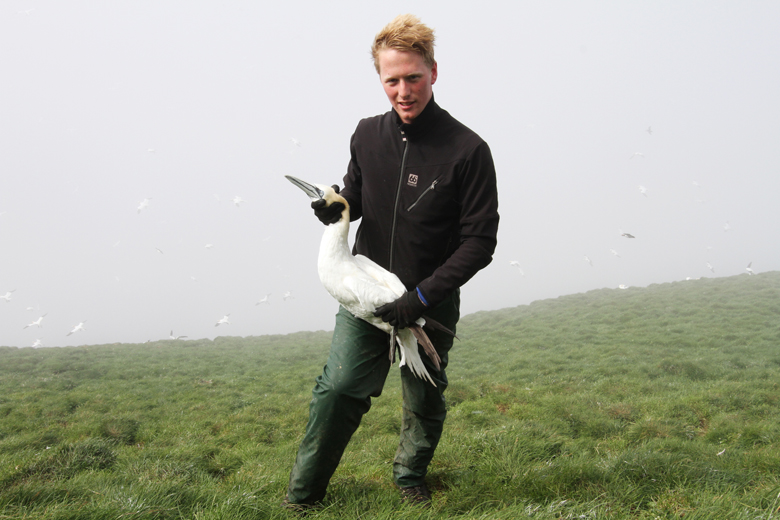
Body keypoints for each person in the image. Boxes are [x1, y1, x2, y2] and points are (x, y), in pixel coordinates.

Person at [285, 13, 499, 510]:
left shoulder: (468, 150)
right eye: (392, 80)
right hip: (366, 293)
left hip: (431, 299)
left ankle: (409, 476)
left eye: (413, 78)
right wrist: (337, 206)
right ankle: (303, 496)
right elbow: (357, 194)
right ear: (380, 79)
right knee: (337, 389)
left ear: (434, 72)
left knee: (424, 398)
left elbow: (479, 241)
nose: (403, 91)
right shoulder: (366, 134)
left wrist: (420, 298)